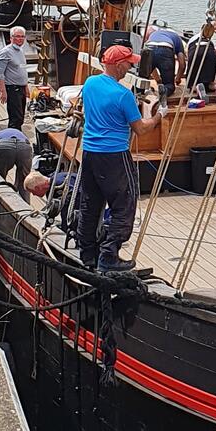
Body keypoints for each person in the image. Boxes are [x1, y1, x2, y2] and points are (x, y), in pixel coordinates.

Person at [77, 44, 165, 272]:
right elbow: (141, 129)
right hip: (114, 155)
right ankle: (109, 255)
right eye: (128, 63)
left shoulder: (90, 83)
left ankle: (87, 254)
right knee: (124, 204)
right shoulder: (123, 95)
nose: (131, 67)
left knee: (91, 202)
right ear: (118, 65)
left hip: (89, 153)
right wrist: (158, 117)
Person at [0, 26, 29, 130]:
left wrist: (26, 86)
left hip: (21, 88)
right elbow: (0, 73)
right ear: (11, 38)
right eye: (17, 36)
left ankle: (17, 136)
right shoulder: (6, 52)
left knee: (21, 117)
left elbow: (22, 69)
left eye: (22, 37)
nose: (20, 39)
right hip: (12, 88)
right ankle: (13, 138)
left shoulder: (20, 50)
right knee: (16, 118)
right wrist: (3, 91)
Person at [0, 128, 33, 201]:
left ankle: (1, 203)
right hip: (24, 145)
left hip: (4, 146)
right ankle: (26, 207)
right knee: (24, 180)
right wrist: (16, 186)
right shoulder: (19, 133)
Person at [144, 24, 186, 97]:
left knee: (141, 81)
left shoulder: (154, 34)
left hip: (149, 48)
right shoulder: (177, 38)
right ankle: (164, 92)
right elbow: (182, 64)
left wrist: (158, 80)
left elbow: (152, 67)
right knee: (169, 85)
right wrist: (178, 79)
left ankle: (143, 90)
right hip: (166, 48)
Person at [186, 23, 216, 97]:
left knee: (192, 84)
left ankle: (196, 88)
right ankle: (215, 86)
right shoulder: (210, 41)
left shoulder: (193, 38)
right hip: (210, 52)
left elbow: (188, 53)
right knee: (208, 81)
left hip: (195, 51)